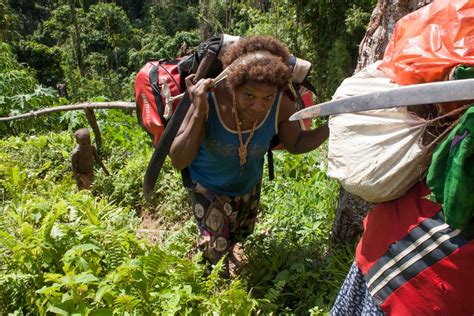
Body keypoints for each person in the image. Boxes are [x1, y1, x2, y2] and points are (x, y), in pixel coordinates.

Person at [169, 35, 329, 274]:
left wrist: (332, 127)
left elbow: (295, 142)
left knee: (236, 236)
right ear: (233, 85)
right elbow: (178, 159)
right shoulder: (209, 99)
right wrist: (199, 113)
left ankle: (227, 250)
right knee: (216, 257)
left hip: (248, 187)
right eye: (249, 96)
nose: (259, 106)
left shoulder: (281, 105)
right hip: (207, 188)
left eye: (267, 97)